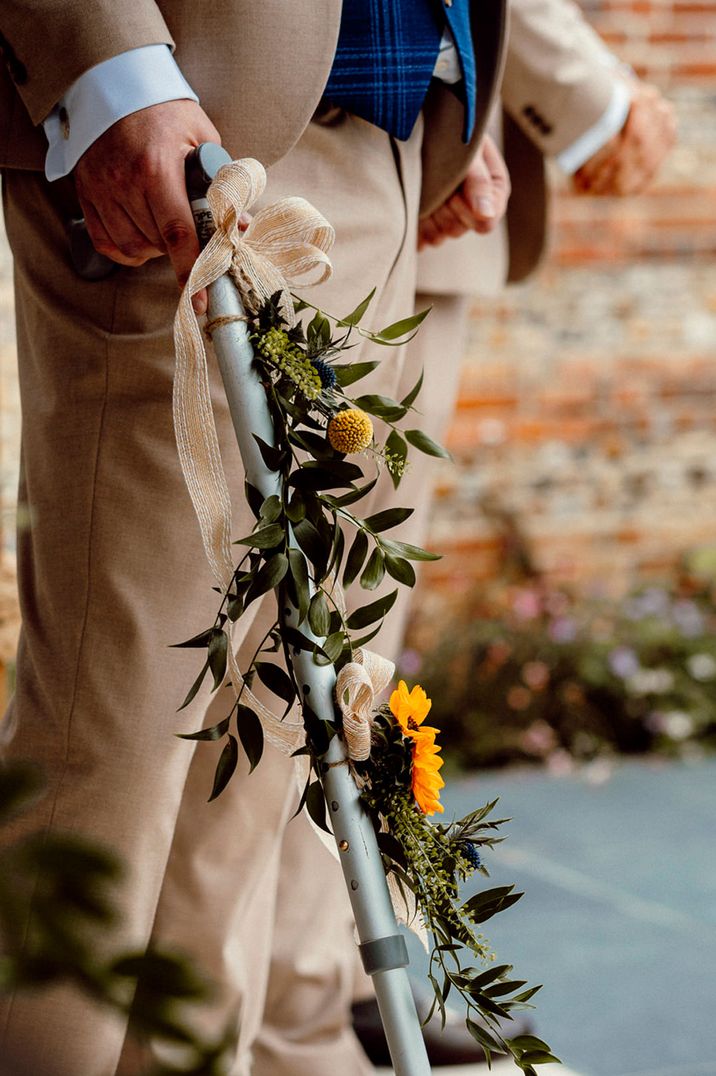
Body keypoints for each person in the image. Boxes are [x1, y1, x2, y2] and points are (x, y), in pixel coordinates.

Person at [0, 3, 512, 1074]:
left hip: (389, 137)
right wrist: (110, 63)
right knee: (123, 730)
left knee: (268, 738)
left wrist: (461, 85)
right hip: (185, 141)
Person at [255, 1, 676, 1071]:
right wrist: (582, 99)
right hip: (344, 140)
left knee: (355, 637)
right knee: (302, 636)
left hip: (423, 154)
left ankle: (339, 970)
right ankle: (298, 1002)